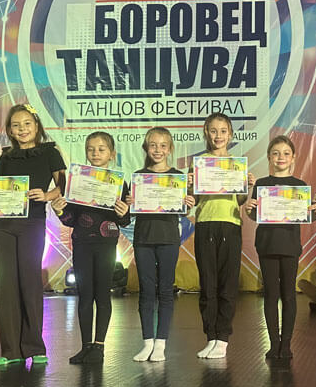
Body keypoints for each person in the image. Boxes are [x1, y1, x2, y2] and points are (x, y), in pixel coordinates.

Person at [0, 104, 66, 367]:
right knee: (6, 285)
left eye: (27, 124)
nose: (22, 129)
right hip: (4, 223)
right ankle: (10, 350)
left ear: (36, 126)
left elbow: (63, 184)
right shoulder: (6, 156)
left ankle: (35, 346)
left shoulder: (49, 152)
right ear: (9, 130)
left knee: (30, 282)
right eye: (16, 125)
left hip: (32, 222)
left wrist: (46, 196)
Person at [51, 131, 130, 365]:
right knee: (84, 295)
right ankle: (86, 346)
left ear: (112, 154)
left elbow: (125, 220)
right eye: (91, 149)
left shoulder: (119, 182)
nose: (96, 153)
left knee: (102, 295)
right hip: (82, 243)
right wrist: (59, 210)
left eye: (101, 149)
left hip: (106, 244)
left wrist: (123, 213)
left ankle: (100, 346)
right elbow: (71, 219)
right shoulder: (77, 181)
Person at [245, 135, 316, 359]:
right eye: (276, 153)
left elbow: (306, 216)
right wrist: (249, 209)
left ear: (293, 157)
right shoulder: (261, 184)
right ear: (269, 157)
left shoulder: (300, 186)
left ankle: (286, 344)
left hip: (290, 245)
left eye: (286, 153)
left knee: (289, 295)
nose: (281, 157)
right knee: (271, 295)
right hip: (267, 245)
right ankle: (273, 343)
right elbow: (254, 215)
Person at [128, 127, 194, 363]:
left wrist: (187, 203)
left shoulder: (177, 176)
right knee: (146, 291)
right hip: (143, 239)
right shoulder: (138, 177)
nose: (158, 150)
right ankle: (147, 342)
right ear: (146, 148)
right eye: (153, 145)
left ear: (170, 149)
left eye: (163, 145)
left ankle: (161, 344)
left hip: (168, 238)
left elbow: (183, 211)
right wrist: (131, 202)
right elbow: (130, 212)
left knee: (165, 291)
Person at [191, 113, 253, 359]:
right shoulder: (199, 164)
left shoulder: (237, 164)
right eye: (213, 131)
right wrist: (189, 185)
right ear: (206, 133)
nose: (218, 136)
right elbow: (194, 199)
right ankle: (211, 336)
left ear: (231, 134)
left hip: (230, 224)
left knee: (227, 284)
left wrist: (246, 186)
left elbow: (240, 200)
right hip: (205, 224)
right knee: (208, 284)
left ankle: (223, 338)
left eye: (223, 131)